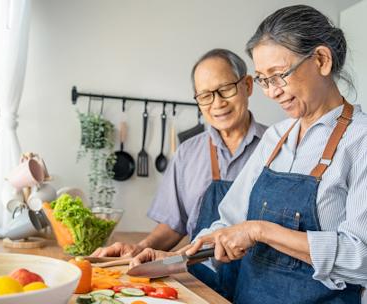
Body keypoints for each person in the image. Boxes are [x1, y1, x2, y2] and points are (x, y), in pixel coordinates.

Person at [131, 5, 367, 303]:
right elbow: (228, 224)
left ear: (321, 60)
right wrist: (173, 257)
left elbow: (362, 258)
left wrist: (260, 230)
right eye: (264, 80)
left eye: (279, 75)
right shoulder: (275, 138)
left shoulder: (360, 140)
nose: (272, 92)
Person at [91, 49, 267, 291]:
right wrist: (140, 249)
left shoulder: (278, 148)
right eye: (205, 96)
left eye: (225, 89)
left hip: (259, 284)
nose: (218, 103)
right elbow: (175, 224)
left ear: (247, 85)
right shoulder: (187, 153)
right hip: (198, 281)